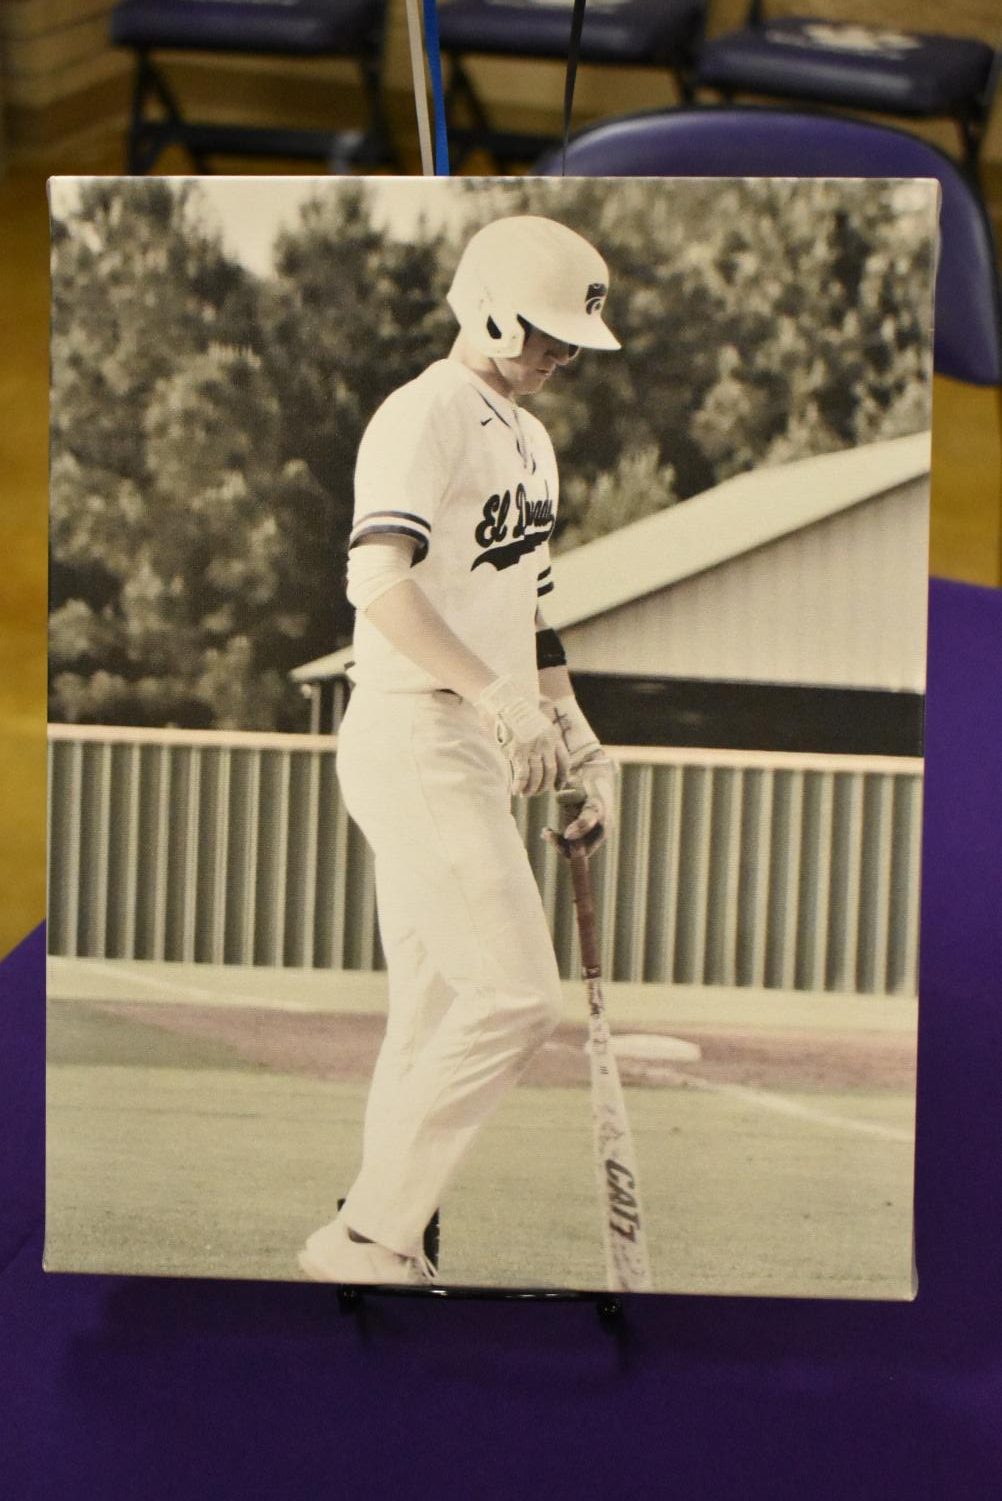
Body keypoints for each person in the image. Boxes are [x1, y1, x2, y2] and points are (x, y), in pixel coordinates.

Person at [298, 214, 621, 1285]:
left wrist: (573, 730)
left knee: (434, 1009)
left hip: (473, 737)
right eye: (545, 336)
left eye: (573, 344)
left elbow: (527, 604)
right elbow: (378, 582)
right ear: (487, 308)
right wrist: (493, 699)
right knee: (518, 994)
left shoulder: (531, 438)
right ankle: (368, 1230)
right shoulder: (424, 412)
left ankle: (384, 1232)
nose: (561, 359)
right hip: (414, 728)